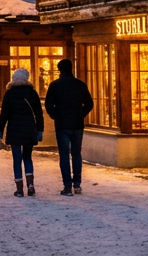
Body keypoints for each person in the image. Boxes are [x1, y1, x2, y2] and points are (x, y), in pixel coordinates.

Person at [44, 58, 94, 195]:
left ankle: (67, 186)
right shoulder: (80, 85)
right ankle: (77, 184)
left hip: (62, 125)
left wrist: (55, 115)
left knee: (64, 156)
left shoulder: (55, 85)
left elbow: (48, 105)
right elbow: (89, 103)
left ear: (59, 69)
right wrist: (81, 114)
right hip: (77, 124)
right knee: (76, 154)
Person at [0, 67, 44, 197]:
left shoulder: (9, 93)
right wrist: (40, 129)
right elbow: (38, 113)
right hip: (29, 129)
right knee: (28, 157)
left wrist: (0, 129)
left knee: (17, 159)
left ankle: (19, 189)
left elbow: (4, 114)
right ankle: (30, 186)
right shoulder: (32, 93)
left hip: (14, 130)